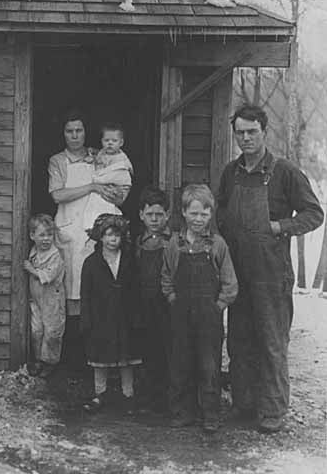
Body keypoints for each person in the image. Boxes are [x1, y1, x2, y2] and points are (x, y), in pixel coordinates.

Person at [216, 104, 324, 433]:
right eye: (240, 133)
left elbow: (314, 214)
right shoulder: (231, 172)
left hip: (271, 274)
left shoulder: (285, 172)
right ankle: (244, 404)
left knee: (271, 341)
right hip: (238, 271)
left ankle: (273, 410)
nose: (246, 138)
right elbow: (220, 209)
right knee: (239, 339)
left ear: (264, 131)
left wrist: (279, 227)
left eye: (252, 132)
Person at [162, 184, 238, 433]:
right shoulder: (175, 243)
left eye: (204, 214)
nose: (198, 219)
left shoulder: (217, 245)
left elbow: (230, 283)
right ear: (184, 212)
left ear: (211, 215)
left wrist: (218, 307)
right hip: (180, 314)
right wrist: (172, 297)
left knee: (209, 364)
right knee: (180, 363)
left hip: (209, 316)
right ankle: (183, 412)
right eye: (193, 213)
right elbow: (166, 276)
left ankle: (210, 414)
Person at [48, 111, 128, 317]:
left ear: (85, 132)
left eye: (79, 130)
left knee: (96, 290)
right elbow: (57, 195)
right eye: (69, 131)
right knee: (72, 290)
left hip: (95, 231)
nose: (74, 135)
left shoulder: (98, 157)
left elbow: (118, 190)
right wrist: (92, 186)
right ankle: (72, 344)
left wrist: (117, 193)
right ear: (63, 134)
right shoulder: (57, 161)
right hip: (69, 231)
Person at [80, 214, 141, 412]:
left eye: (116, 235)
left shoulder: (130, 260)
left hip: (125, 314)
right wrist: (86, 320)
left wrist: (137, 316)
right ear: (100, 237)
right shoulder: (91, 263)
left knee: (126, 356)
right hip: (101, 315)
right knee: (100, 356)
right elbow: (86, 294)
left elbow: (136, 288)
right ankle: (100, 394)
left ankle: (128, 394)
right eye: (108, 235)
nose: (113, 240)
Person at [136, 186, 171, 412]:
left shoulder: (173, 242)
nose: (155, 219)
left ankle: (168, 400)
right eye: (150, 215)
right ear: (141, 215)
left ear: (167, 215)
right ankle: (147, 400)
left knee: (168, 350)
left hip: (167, 305)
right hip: (144, 304)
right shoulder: (138, 243)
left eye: (159, 214)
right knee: (146, 350)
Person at [24, 214, 66, 378]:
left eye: (49, 235)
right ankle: (37, 359)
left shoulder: (56, 255)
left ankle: (50, 362)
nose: (46, 239)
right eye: (42, 235)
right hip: (36, 299)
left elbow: (47, 277)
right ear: (32, 236)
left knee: (52, 332)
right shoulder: (33, 251)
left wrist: (31, 269)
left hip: (52, 300)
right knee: (36, 330)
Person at [83, 122, 133, 230]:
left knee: (109, 204)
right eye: (106, 140)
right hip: (105, 188)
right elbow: (99, 159)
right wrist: (93, 158)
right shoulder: (103, 152)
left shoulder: (121, 159)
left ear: (121, 143)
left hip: (120, 187)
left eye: (114, 141)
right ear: (102, 141)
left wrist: (96, 178)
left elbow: (117, 173)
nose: (110, 143)